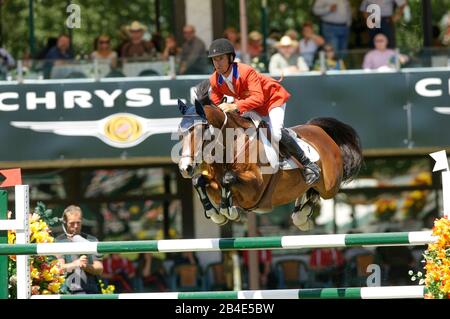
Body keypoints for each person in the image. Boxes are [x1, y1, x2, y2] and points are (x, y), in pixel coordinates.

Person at [207, 38, 320, 184]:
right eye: (214, 60)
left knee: (276, 133)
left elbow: (259, 98)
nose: (217, 63)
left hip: (272, 100)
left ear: (230, 58)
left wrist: (235, 106)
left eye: (220, 58)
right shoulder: (214, 80)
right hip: (251, 106)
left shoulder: (245, 71)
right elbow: (217, 103)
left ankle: (308, 164)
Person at [55, 205, 103, 294]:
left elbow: (99, 268)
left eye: (78, 222)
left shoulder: (91, 240)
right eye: (72, 223)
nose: (76, 226)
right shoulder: (59, 241)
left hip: (90, 291)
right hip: (67, 291)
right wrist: (75, 264)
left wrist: (85, 266)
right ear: (65, 222)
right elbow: (58, 268)